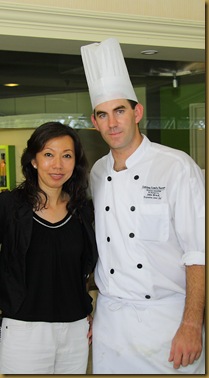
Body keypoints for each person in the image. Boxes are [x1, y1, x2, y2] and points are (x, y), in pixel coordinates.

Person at [81, 37, 205, 374]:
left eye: (120, 110)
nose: (112, 123)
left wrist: (192, 325)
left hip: (167, 323)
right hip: (110, 325)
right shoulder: (97, 172)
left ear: (137, 112)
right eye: (103, 115)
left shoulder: (176, 167)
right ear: (94, 122)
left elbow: (198, 253)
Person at [0, 121, 98, 374]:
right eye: (48, 155)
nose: (57, 165)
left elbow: (82, 267)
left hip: (75, 331)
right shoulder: (9, 206)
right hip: (24, 332)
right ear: (33, 160)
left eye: (67, 156)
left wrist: (84, 307)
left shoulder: (82, 210)